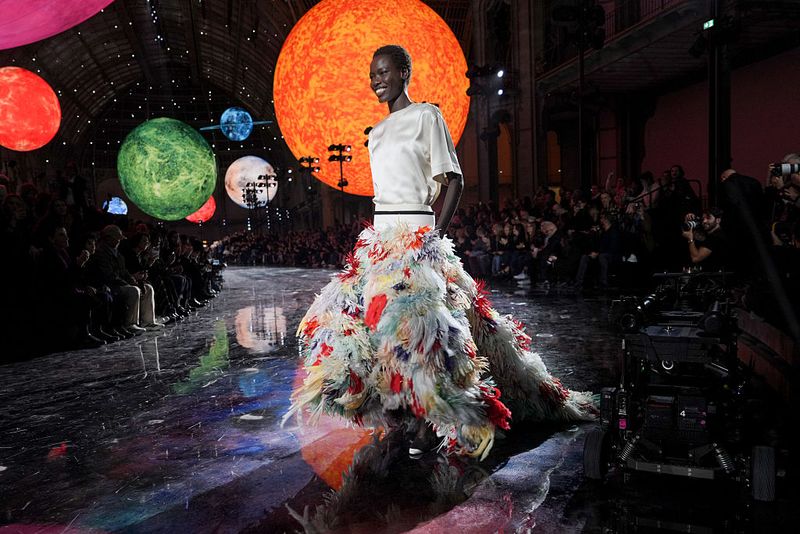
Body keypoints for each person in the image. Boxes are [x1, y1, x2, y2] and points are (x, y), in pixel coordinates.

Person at [284, 45, 595, 461]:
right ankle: (401, 417)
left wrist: (435, 235)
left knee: (425, 337)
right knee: (378, 335)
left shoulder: (426, 116)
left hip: (418, 236)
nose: (376, 79)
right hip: (380, 241)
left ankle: (439, 419)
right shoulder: (374, 134)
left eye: (384, 71)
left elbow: (453, 181)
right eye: (372, 73)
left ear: (404, 73)